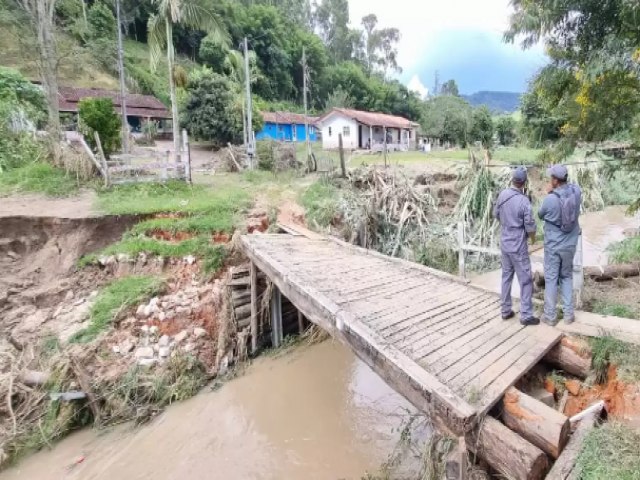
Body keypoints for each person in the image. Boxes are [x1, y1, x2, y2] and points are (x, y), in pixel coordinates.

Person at [493, 167, 539, 326]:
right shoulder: (524, 201)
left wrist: (507, 224)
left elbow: (496, 214)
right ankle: (526, 315)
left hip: (505, 243)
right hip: (518, 245)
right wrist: (532, 239)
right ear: (524, 183)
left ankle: (505, 310)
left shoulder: (503, 195)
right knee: (525, 279)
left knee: (506, 277)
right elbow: (530, 227)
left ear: (512, 180)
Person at [538, 165, 582, 326]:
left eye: (551, 178)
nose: (550, 180)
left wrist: (548, 193)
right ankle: (569, 315)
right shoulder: (576, 193)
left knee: (551, 279)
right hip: (570, 245)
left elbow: (540, 214)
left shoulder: (550, 199)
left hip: (554, 246)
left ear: (555, 180)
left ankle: (550, 317)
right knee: (567, 276)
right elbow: (574, 188)